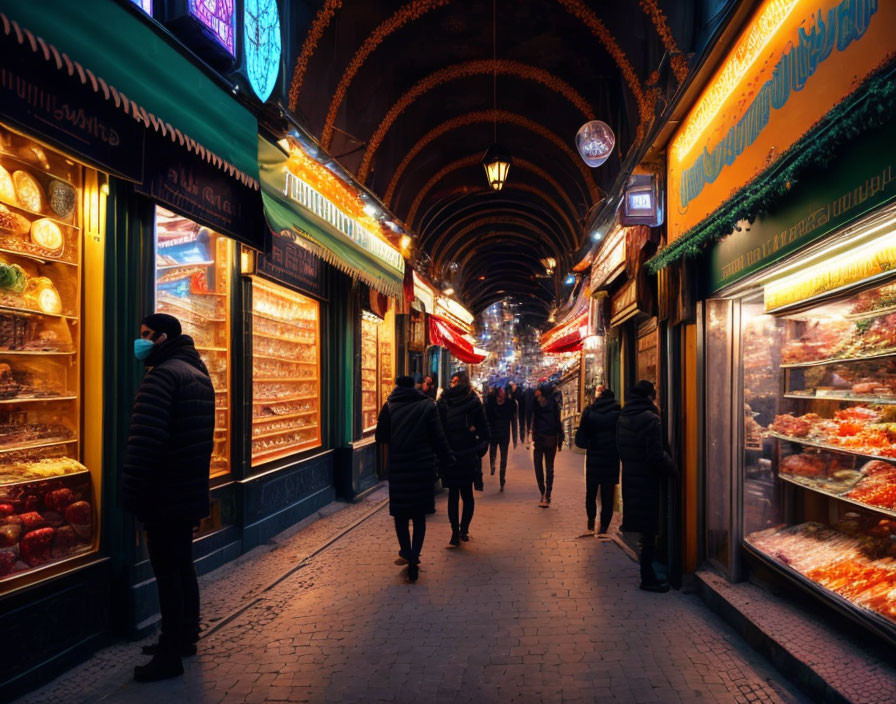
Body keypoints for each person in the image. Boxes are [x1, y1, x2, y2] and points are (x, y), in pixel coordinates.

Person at [121, 313, 214, 682]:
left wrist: (132, 493)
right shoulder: (197, 374)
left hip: (163, 492)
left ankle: (169, 654)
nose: (140, 341)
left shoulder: (161, 376)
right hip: (188, 487)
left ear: (162, 338)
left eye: (145, 335)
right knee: (182, 566)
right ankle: (184, 636)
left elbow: (145, 443)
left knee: (167, 573)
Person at [375, 375, 453, 582]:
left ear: (397, 386)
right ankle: (414, 556)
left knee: (401, 516)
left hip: (399, 468)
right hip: (421, 467)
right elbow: (439, 437)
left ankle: (406, 552)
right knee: (418, 516)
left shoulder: (389, 406)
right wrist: (447, 458)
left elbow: (380, 437)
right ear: (416, 387)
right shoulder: (428, 405)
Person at [616, 379, 677, 593]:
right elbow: (655, 454)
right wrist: (673, 469)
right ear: (649, 396)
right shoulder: (651, 419)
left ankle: (648, 574)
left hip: (632, 478)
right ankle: (647, 578)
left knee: (644, 530)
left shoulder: (624, 416)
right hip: (647, 480)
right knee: (649, 531)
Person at [437, 370, 489, 545]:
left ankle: (462, 529)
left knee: (464, 493)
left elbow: (483, 428)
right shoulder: (446, 401)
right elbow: (438, 428)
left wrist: (479, 447)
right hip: (456, 454)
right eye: (452, 381)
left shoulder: (469, 401)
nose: (453, 384)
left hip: (462, 454)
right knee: (456, 494)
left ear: (463, 382)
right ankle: (456, 532)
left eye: (456, 381)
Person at [574, 388, 621, 536]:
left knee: (591, 493)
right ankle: (604, 527)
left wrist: (591, 443)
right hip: (611, 458)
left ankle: (590, 522)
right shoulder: (618, 414)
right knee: (608, 495)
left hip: (593, 458)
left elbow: (580, 439)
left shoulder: (589, 412)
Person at [529, 383, 564, 508]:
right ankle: (543, 492)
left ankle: (547, 494)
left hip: (550, 439)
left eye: (537, 390)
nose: (535, 392)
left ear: (542, 392)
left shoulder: (553, 404)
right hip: (539, 439)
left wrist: (560, 439)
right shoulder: (535, 404)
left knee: (549, 467)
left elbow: (557, 421)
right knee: (538, 466)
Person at [485, 385, 517, 491]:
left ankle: (502, 480)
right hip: (494, 433)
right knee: (493, 452)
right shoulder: (492, 405)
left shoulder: (508, 405)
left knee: (504, 458)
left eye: (502, 396)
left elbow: (513, 412)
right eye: (499, 396)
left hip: (504, 434)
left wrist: (511, 397)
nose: (501, 398)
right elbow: (487, 409)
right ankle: (492, 466)